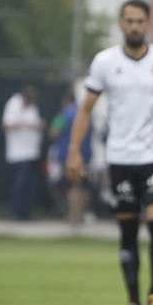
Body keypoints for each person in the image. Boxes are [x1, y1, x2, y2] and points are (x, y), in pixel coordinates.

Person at [66, 0, 153, 305]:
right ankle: (133, 302)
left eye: (139, 21)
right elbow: (85, 109)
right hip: (120, 157)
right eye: (129, 21)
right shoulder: (104, 62)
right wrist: (73, 150)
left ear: (148, 23)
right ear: (121, 24)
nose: (134, 26)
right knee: (126, 231)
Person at [50, 91, 94, 224]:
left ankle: (73, 217)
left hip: (68, 155)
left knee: (72, 186)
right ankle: (81, 216)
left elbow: (53, 133)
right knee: (84, 186)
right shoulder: (86, 115)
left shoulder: (63, 115)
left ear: (66, 101)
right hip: (86, 155)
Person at [2, 85, 44, 221]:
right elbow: (7, 125)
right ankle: (16, 213)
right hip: (18, 154)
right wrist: (26, 124)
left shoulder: (33, 108)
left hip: (32, 153)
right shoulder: (13, 104)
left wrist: (38, 125)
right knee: (19, 185)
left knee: (29, 185)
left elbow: (37, 124)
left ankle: (25, 213)